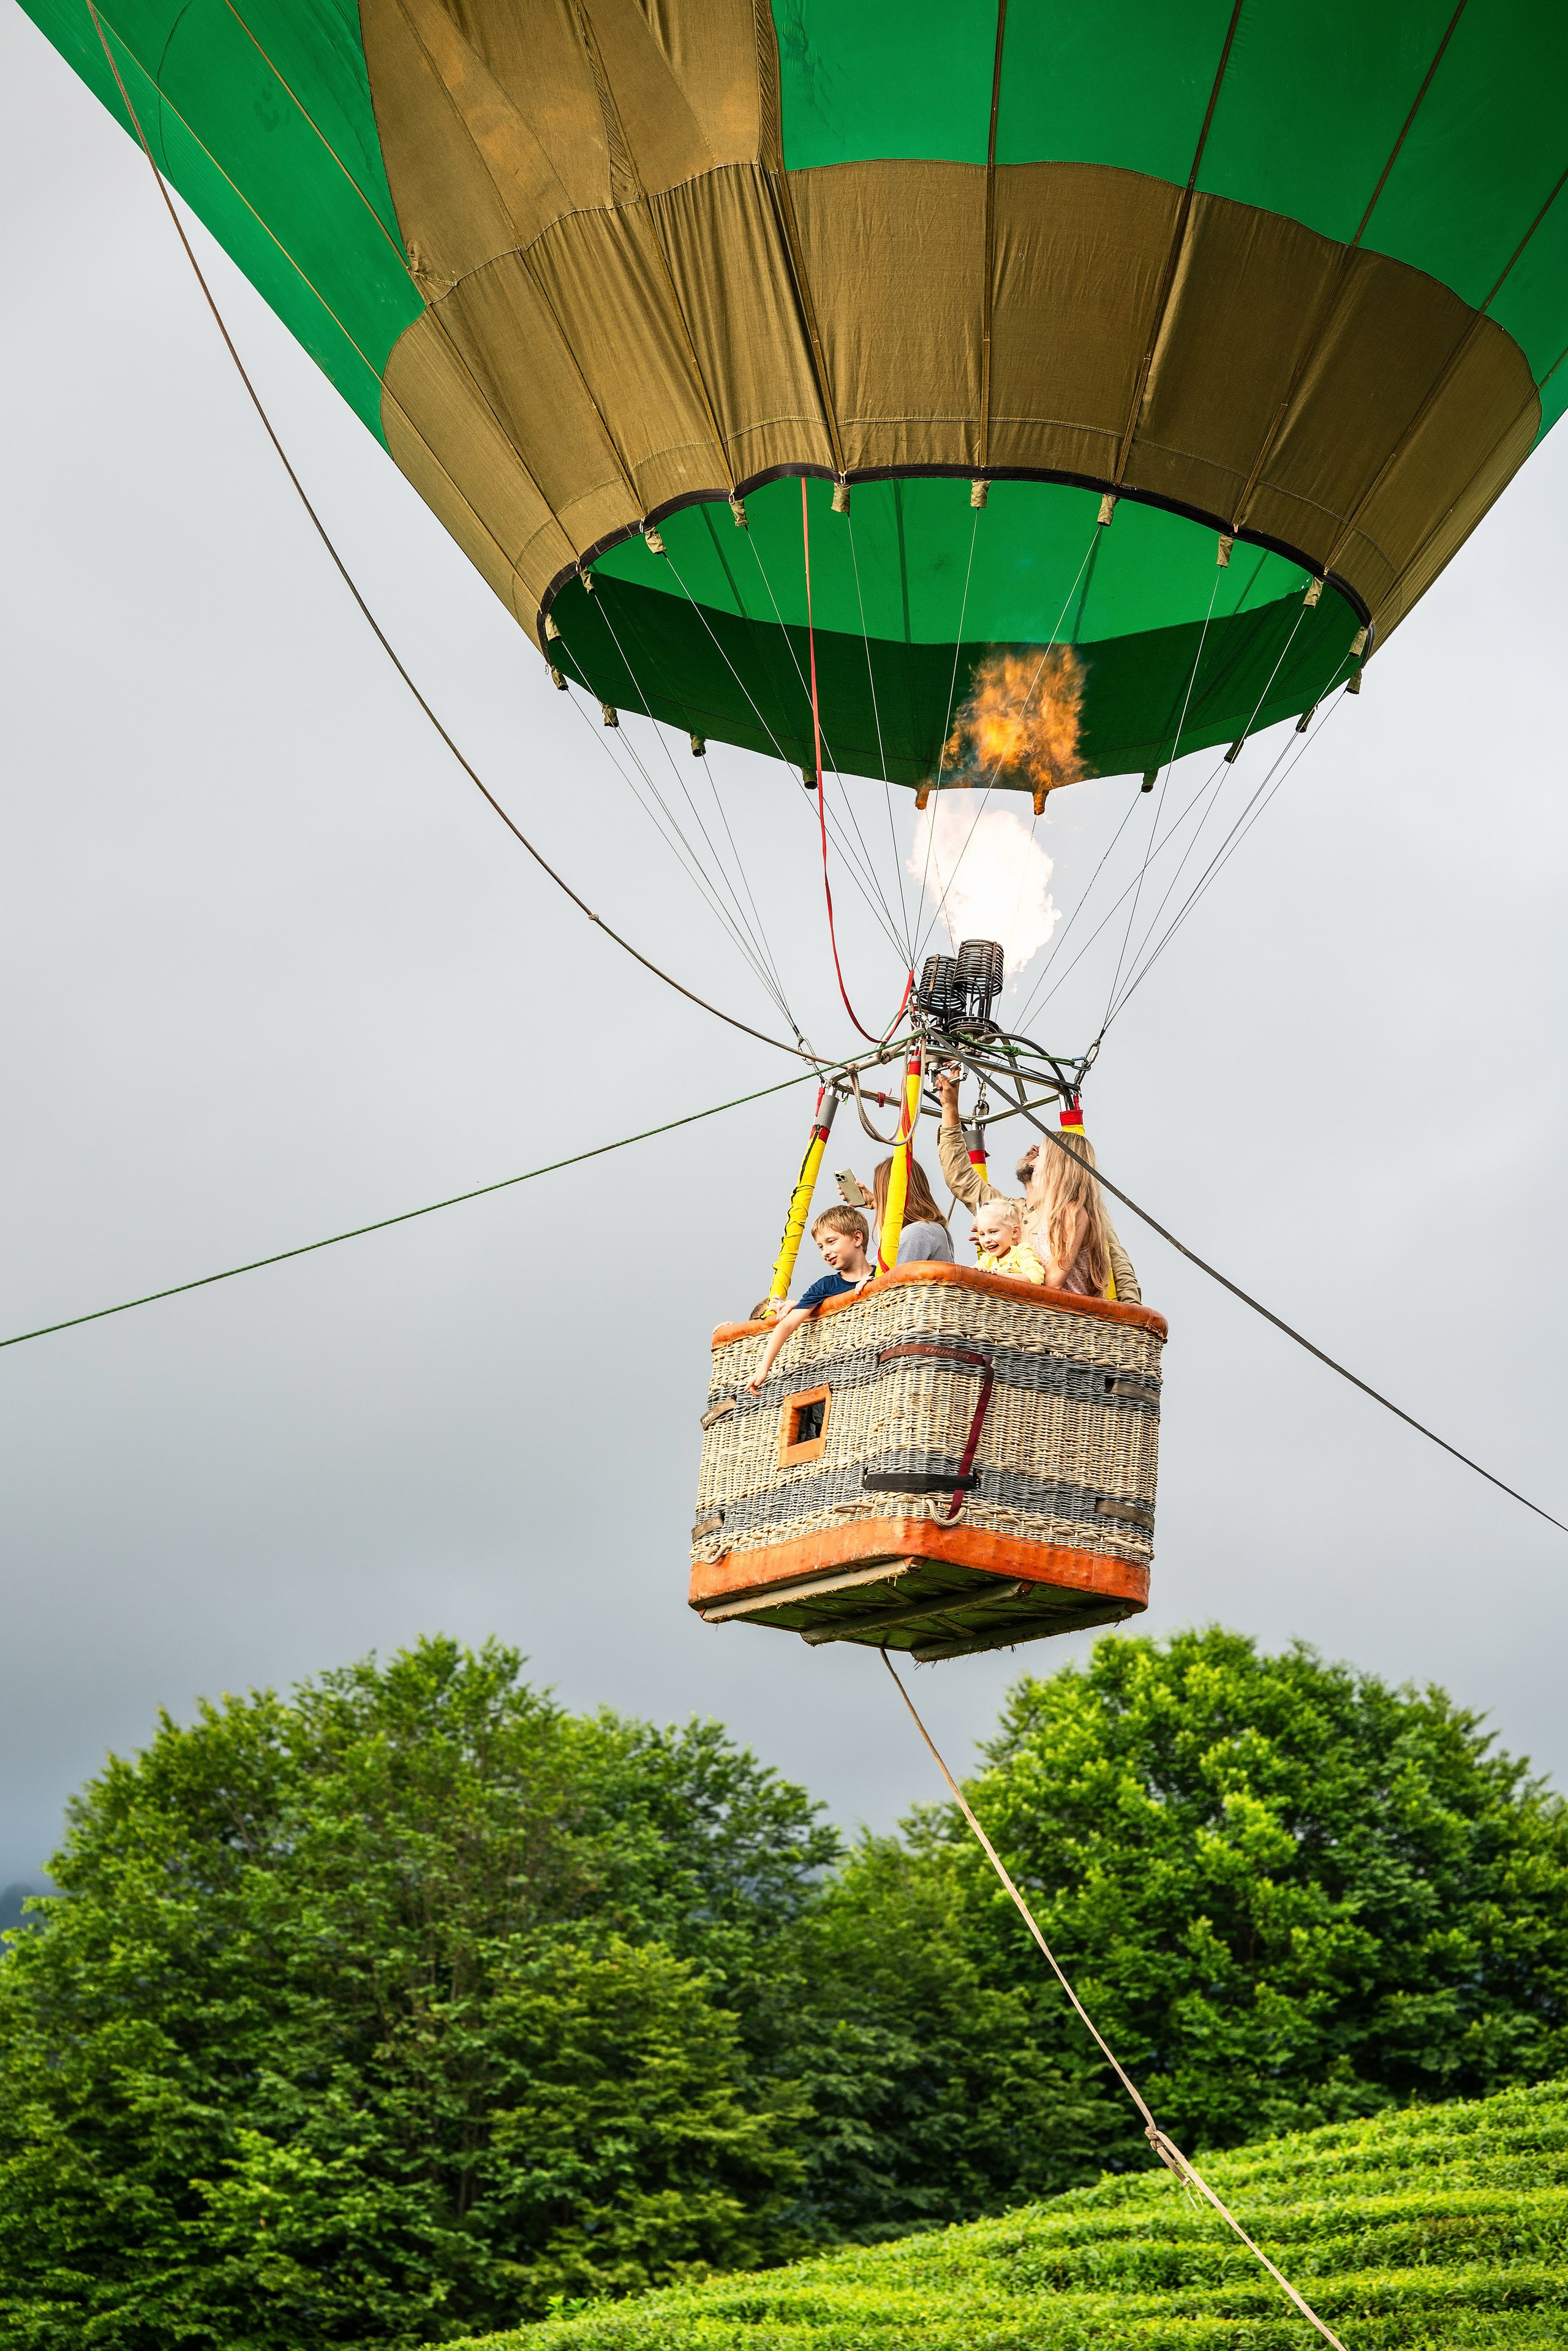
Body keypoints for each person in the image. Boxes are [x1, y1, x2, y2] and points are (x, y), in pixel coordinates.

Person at [935, 1070, 1140, 1302]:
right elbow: (960, 1177)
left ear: (1055, 1164)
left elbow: (1116, 1259)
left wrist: (1132, 1310)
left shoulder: (1075, 1211)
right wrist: (950, 1108)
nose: (1033, 1151)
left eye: (1040, 1152)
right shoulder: (1005, 1212)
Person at [745, 1205, 873, 1392]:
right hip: (843, 1366)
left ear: (857, 1238)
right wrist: (763, 1369)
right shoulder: (826, 1286)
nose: (825, 1252)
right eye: (821, 1247)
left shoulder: (883, 1275)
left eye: (831, 1242)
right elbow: (787, 1325)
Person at [870, 1153, 955, 1265]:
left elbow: (882, 1270)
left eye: (880, 1195)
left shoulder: (919, 1232)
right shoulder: (930, 1229)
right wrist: (878, 1204)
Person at [973, 1196, 1046, 1283]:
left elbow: (1036, 1277)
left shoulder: (1022, 1252)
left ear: (1014, 1232)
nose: (987, 1240)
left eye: (993, 1232)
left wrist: (1001, 1276)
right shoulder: (987, 1259)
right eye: (982, 1234)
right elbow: (969, 1277)